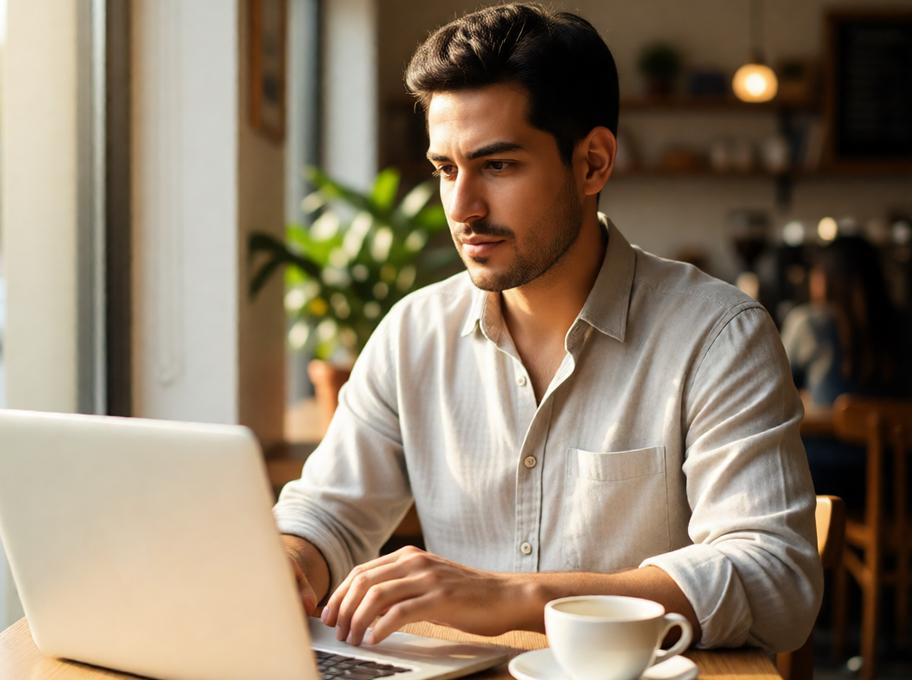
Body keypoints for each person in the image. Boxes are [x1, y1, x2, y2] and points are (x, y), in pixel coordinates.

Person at [275, 3, 820, 654]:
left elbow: (777, 582)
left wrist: (516, 596)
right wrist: (291, 559)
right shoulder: (412, 333)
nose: (462, 208)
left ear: (592, 163)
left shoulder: (717, 336)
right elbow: (329, 513)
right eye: (447, 168)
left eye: (498, 166)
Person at [781, 234, 901, 507]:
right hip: (897, 478)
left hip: (829, 474)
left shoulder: (809, 323)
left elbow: (776, 393)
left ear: (824, 277)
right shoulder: (901, 325)